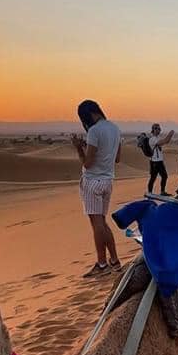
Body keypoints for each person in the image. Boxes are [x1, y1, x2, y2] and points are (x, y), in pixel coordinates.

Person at [71, 99, 122, 277]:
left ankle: (101, 264)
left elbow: (88, 163)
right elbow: (117, 158)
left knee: (97, 225)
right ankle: (114, 260)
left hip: (93, 181)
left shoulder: (94, 131)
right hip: (108, 180)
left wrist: (79, 149)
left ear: (90, 114)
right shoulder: (115, 128)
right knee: (102, 222)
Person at [147, 123, 174, 195]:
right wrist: (170, 134)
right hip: (155, 162)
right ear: (153, 129)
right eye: (156, 128)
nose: (158, 130)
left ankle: (158, 192)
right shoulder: (152, 139)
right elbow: (164, 141)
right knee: (157, 177)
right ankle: (152, 192)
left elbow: (165, 141)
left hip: (158, 161)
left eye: (159, 129)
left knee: (158, 177)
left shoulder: (157, 138)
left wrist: (169, 136)